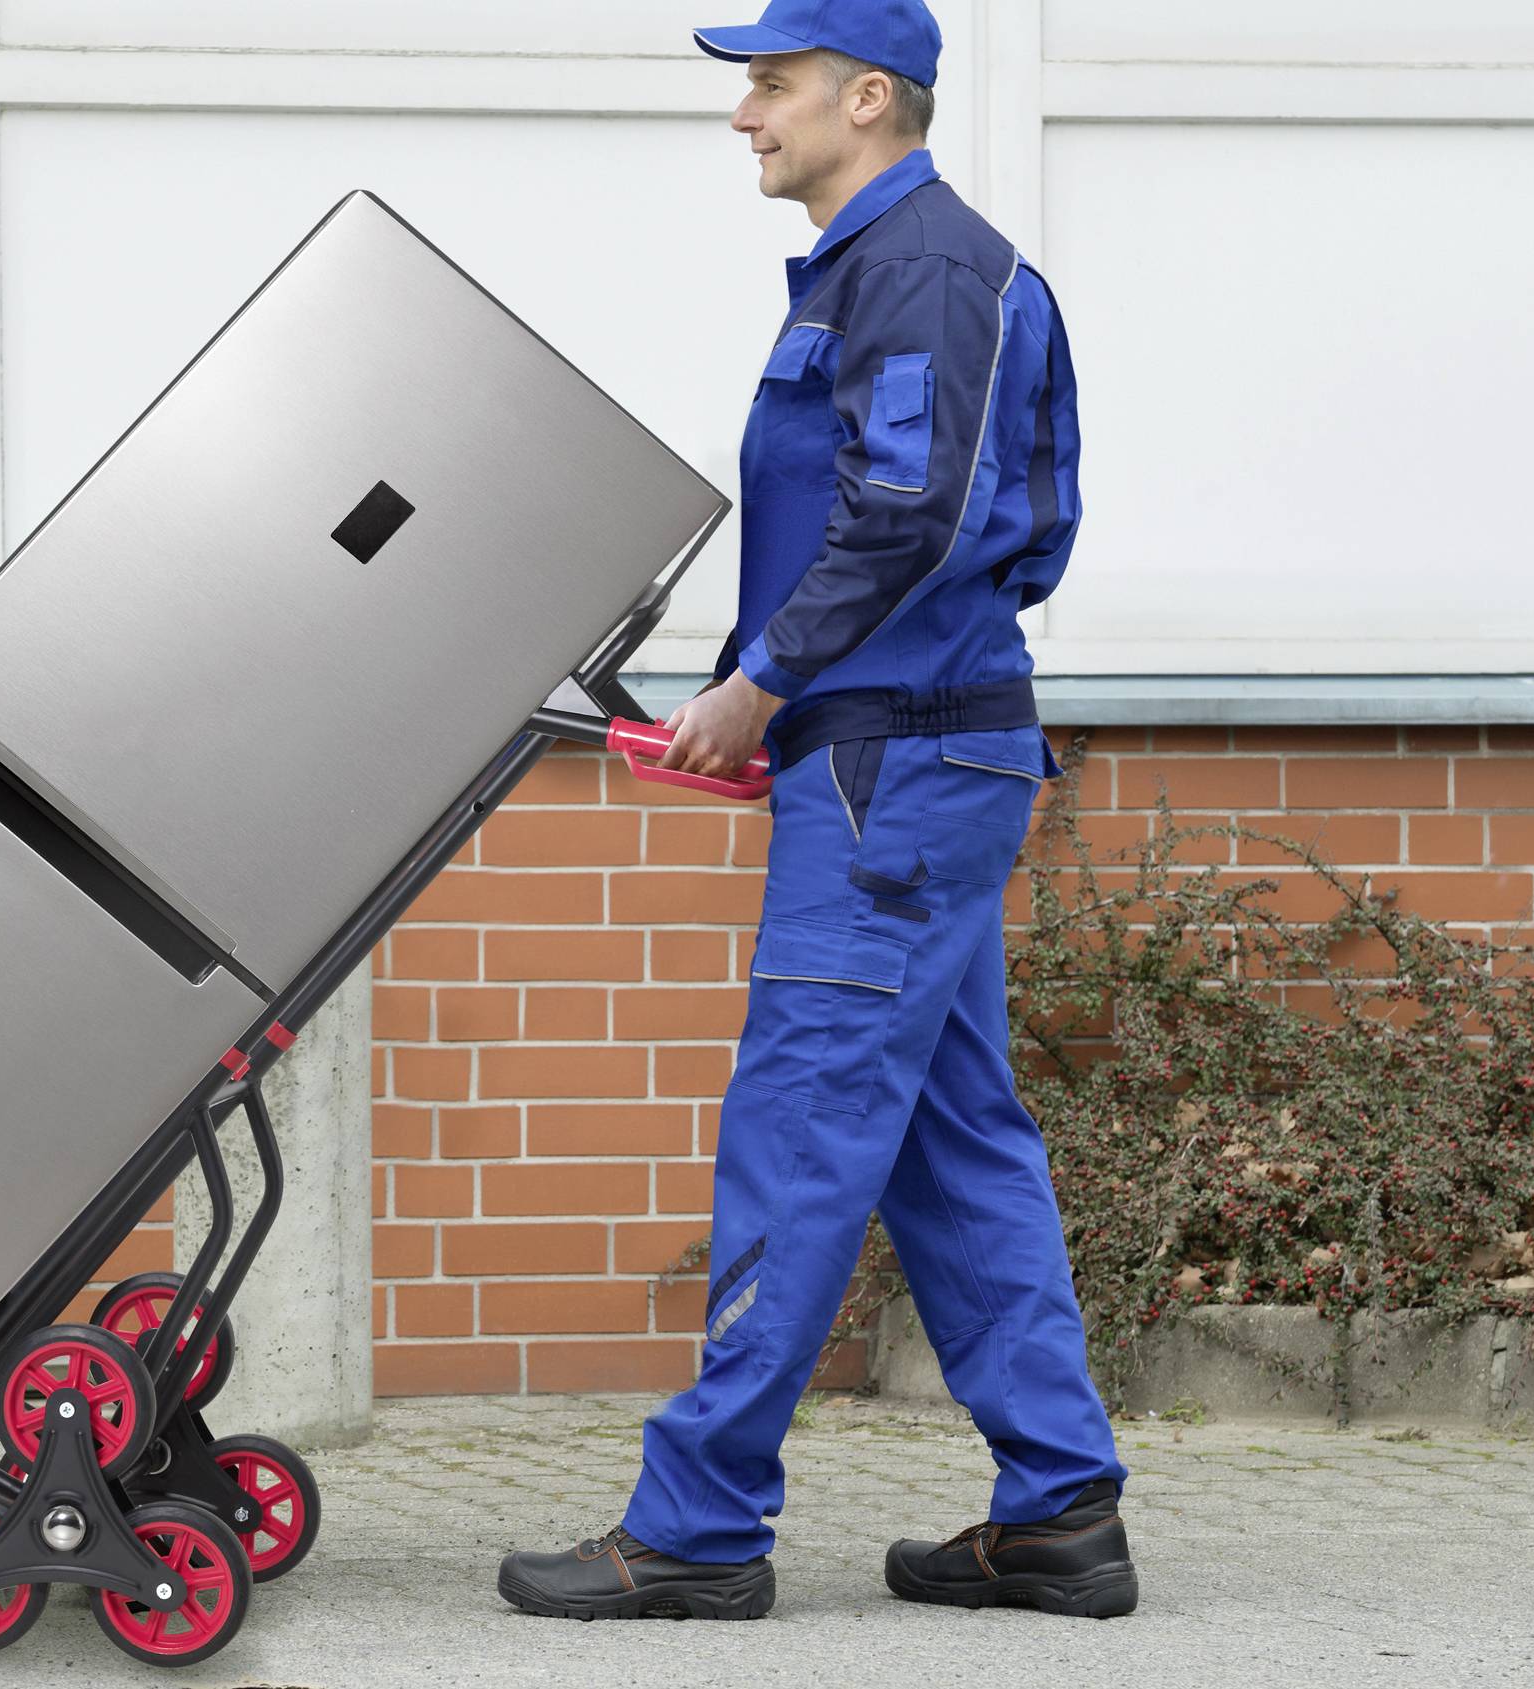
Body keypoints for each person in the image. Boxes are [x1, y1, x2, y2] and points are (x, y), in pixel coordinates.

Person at [497, 0, 1137, 1623]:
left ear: (869, 97)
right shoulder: (880, 270)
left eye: (771, 86)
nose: (745, 116)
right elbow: (987, 530)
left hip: (895, 769)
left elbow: (917, 514)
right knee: (948, 1138)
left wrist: (766, 686)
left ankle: (699, 1527)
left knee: (800, 1129)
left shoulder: (919, 265)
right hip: (910, 753)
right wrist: (782, 694)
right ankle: (1060, 1509)